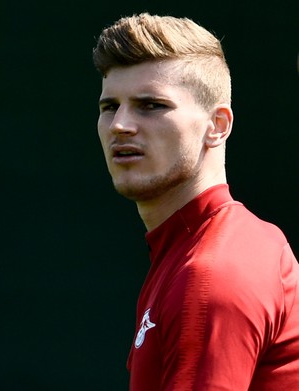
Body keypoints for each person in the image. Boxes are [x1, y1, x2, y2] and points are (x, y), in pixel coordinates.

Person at [92, 13, 299, 390]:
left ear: (217, 125)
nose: (120, 124)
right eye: (110, 107)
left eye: (151, 105)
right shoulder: (190, 249)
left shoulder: (211, 273)